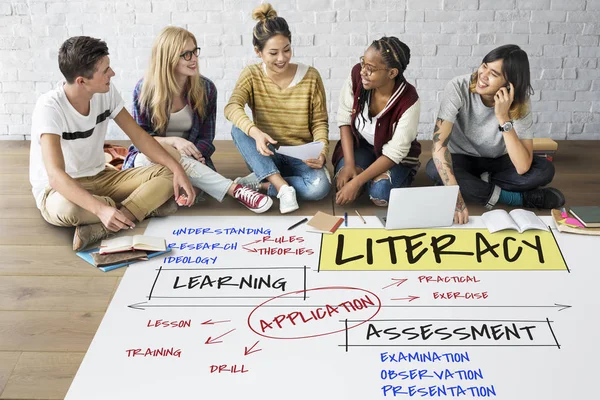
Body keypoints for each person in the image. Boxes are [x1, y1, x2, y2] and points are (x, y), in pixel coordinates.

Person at [29, 36, 195, 252]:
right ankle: (138, 207)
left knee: (170, 172)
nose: (112, 74)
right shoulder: (49, 107)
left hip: (102, 177)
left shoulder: (105, 93)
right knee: (68, 209)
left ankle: (108, 223)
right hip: (59, 189)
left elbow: (140, 137)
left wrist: (177, 169)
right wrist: (100, 208)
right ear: (82, 81)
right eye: (105, 70)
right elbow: (56, 176)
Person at [123, 26, 272, 213]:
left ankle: (164, 197)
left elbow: (206, 139)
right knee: (155, 161)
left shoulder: (207, 89)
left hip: (193, 161)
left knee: (185, 194)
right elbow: (140, 139)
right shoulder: (144, 90)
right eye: (186, 54)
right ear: (168, 58)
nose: (194, 58)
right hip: (149, 157)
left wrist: (195, 155)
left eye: (194, 51)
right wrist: (174, 142)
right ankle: (235, 190)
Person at [426, 44, 564, 224]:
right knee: (433, 167)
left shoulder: (520, 101)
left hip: (499, 162)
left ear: (509, 83)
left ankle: (473, 185)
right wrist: (456, 199)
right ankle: (515, 198)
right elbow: (439, 145)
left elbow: (522, 166)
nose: (483, 76)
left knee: (544, 170)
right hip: (461, 157)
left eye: (494, 74)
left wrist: (503, 117)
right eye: (484, 66)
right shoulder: (458, 87)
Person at [224, 3, 331, 214]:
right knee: (238, 129)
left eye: (287, 50)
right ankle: (282, 188)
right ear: (258, 52)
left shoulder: (311, 76)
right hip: (266, 153)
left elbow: (320, 122)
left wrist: (322, 152)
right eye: (273, 53)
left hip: (300, 155)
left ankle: (262, 184)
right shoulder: (252, 75)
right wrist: (255, 133)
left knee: (320, 188)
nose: (282, 58)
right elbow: (232, 107)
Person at [332, 36, 421, 206]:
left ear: (392, 73)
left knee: (380, 195)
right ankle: (365, 172)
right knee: (342, 182)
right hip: (364, 146)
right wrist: (350, 165)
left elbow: (395, 153)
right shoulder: (357, 78)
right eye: (363, 63)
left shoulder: (408, 100)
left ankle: (388, 176)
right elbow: (344, 120)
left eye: (370, 68)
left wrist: (357, 182)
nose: (362, 71)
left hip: (393, 158)